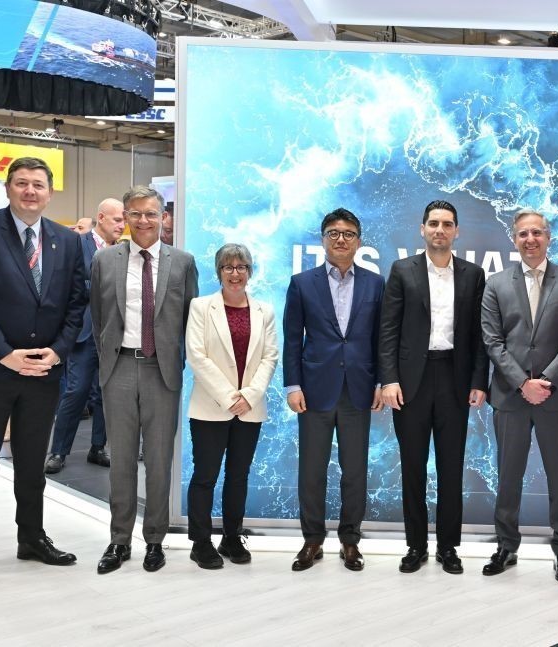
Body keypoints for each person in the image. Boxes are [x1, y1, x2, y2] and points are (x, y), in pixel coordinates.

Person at [0, 157, 88, 588]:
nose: (30, 191)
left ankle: (31, 538)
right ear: (8, 188)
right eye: (22, 183)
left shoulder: (67, 240)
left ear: (49, 193)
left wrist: (58, 352)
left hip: (43, 371)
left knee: (31, 463)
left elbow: (77, 303)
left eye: (38, 185)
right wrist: (4, 354)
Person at [480, 208, 558, 586]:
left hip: (556, 398)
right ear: (514, 239)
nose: (530, 239)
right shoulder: (495, 284)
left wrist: (545, 381)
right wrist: (521, 383)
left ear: (548, 237)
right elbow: (492, 341)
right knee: (508, 477)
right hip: (510, 398)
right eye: (523, 234)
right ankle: (506, 546)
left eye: (537, 233)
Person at [91, 186, 198, 574]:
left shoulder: (182, 262)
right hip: (119, 367)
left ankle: (155, 539)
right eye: (134, 213)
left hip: (162, 371)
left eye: (151, 213)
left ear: (162, 216)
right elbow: (98, 316)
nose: (143, 220)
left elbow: (190, 320)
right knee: (120, 459)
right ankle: (119, 540)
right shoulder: (105, 260)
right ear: (125, 217)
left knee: (158, 459)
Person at [377, 200, 488, 575]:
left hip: (455, 379)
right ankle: (415, 545)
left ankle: (448, 547)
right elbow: (388, 330)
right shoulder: (402, 270)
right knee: (412, 467)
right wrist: (389, 379)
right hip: (411, 382)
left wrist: (478, 380)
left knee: (451, 467)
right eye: (434, 223)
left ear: (457, 231)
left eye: (447, 224)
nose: (440, 230)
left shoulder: (473, 275)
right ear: (422, 229)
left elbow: (479, 335)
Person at [283, 207, 384, 573]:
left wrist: (380, 382)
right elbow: (292, 338)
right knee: (311, 471)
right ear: (323, 239)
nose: (341, 239)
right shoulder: (302, 283)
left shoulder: (375, 283)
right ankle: (312, 539)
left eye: (348, 233)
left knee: (354, 471)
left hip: (359, 389)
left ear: (358, 241)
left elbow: (381, 339)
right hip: (314, 390)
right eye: (334, 233)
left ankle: (350, 540)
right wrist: (293, 385)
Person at [184, 243, 278, 569]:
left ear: (250, 272)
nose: (235, 273)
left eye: (241, 267)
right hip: (210, 407)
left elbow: (270, 357)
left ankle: (231, 537)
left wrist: (249, 396)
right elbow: (197, 356)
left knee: (238, 476)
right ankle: (200, 542)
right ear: (219, 271)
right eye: (228, 267)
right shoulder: (200, 307)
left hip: (249, 408)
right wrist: (229, 397)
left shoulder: (265, 311)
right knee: (205, 476)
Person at [45, 199, 126, 473]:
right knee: (76, 391)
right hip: (83, 332)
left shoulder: (123, 252)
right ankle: (58, 451)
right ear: (101, 217)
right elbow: (69, 284)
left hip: (113, 335)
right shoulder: (77, 244)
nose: (122, 226)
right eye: (117, 220)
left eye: (124, 221)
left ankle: (98, 447)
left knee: (106, 393)